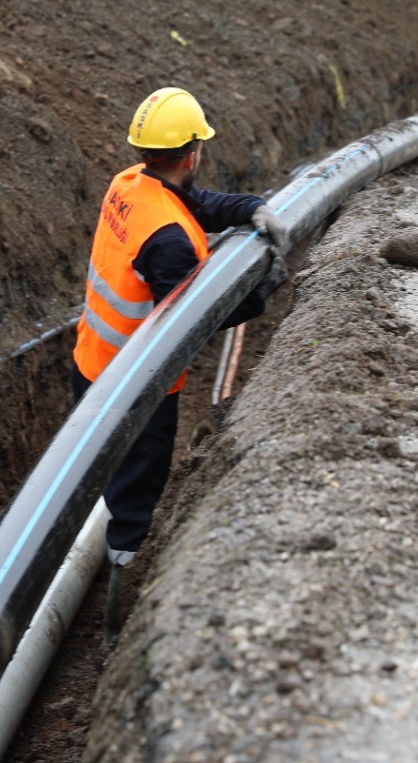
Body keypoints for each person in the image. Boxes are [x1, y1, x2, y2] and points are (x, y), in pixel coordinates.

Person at [72, 87, 290, 644]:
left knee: (89, 467)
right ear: (192, 151)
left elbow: (199, 202)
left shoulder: (131, 185)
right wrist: (262, 291)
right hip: (138, 387)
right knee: (135, 495)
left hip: (92, 361)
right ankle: (120, 596)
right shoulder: (170, 242)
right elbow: (192, 322)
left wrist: (249, 209)